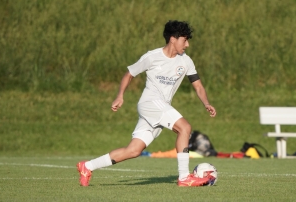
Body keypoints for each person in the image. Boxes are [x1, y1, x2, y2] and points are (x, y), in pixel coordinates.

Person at [77, 20, 217, 187]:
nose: (186, 45)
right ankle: (184, 177)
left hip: (159, 108)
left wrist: (206, 103)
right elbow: (129, 74)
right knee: (185, 128)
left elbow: (198, 86)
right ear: (173, 39)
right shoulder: (152, 57)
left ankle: (87, 166)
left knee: (134, 150)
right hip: (150, 103)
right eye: (184, 40)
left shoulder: (186, 61)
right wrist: (120, 96)